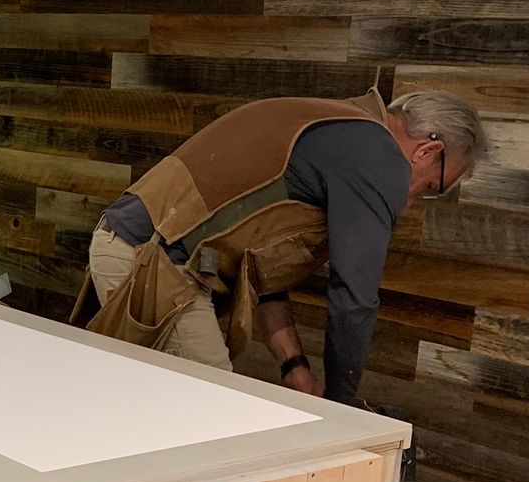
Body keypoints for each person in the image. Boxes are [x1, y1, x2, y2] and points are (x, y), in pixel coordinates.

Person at [69, 87, 488, 404]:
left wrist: (295, 368)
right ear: (428, 151)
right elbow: (354, 300)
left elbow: (262, 268)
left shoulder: (347, 127)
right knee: (210, 413)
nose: (411, 201)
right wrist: (342, 412)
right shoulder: (376, 155)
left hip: (139, 249)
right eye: (432, 187)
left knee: (166, 409)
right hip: (151, 261)